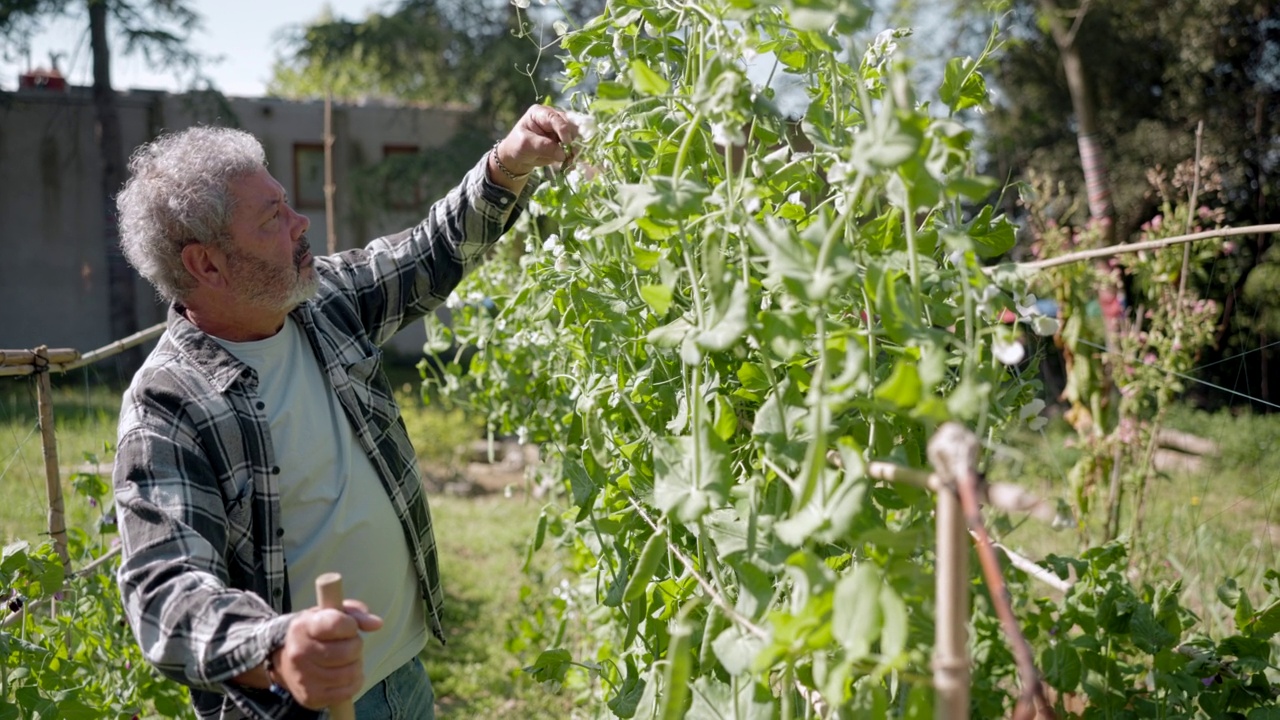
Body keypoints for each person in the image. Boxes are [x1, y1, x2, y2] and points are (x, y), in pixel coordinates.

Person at [111, 105, 578, 720]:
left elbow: (428, 253)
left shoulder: (319, 301)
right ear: (206, 264)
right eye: (273, 217)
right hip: (306, 707)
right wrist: (277, 649)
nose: (302, 222)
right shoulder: (169, 405)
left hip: (402, 675)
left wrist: (508, 165)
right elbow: (163, 593)